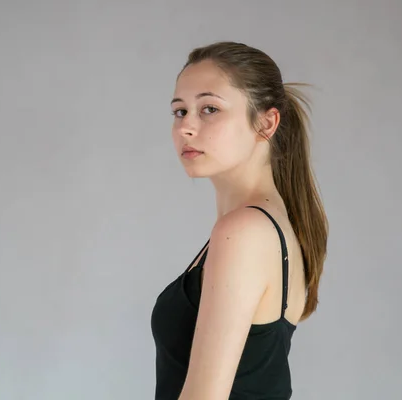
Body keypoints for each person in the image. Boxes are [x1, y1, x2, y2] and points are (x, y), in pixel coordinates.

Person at [150, 41, 329, 400]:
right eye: (180, 111)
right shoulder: (259, 226)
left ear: (266, 123)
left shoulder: (244, 232)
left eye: (210, 109)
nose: (186, 126)